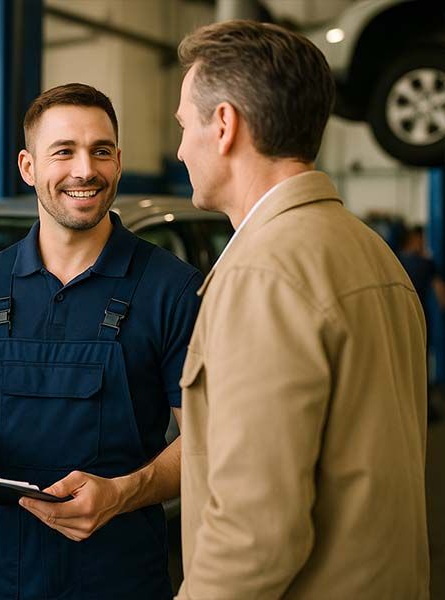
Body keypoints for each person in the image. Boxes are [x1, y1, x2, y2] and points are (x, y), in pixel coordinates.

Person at [174, 20, 429, 599]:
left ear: (224, 125)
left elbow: (254, 532)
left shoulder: (263, 273)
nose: (181, 147)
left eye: (185, 125)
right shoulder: (371, 251)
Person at [0, 83, 203, 599]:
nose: (84, 170)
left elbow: (208, 442)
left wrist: (120, 494)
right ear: (28, 167)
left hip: (118, 576)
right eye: (63, 152)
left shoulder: (172, 289)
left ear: (118, 162)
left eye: (101, 151)